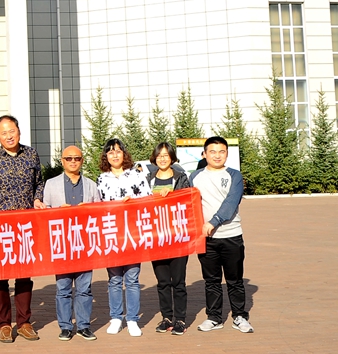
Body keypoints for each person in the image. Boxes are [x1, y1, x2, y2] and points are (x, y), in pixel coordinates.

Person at [0, 114, 46, 343]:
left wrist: (37, 199)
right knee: (1, 276)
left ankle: (24, 322)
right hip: (0, 225)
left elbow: (39, 182)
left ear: (19, 131)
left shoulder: (31, 154)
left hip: (26, 224)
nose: (9, 136)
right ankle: (4, 324)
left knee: (24, 274)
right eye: (4, 132)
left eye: (12, 131)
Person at [190, 136, 254, 334]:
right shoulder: (195, 177)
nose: (217, 155)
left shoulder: (235, 175)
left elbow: (231, 203)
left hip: (231, 235)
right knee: (212, 281)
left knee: (235, 280)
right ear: (204, 154)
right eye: (212, 151)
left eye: (221, 152)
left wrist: (213, 222)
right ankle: (214, 317)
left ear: (227, 154)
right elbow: (187, 203)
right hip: (206, 239)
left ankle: (239, 316)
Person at [42, 145, 99, 342]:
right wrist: (58, 210)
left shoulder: (91, 185)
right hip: (62, 242)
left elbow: (99, 212)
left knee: (84, 288)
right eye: (69, 158)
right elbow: (44, 212)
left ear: (82, 161)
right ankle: (65, 326)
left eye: (77, 158)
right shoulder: (51, 184)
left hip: (84, 242)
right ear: (62, 161)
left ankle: (83, 326)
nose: (73, 161)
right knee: (63, 288)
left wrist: (88, 210)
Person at [96, 137, 152, 337]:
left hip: (132, 233)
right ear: (106, 156)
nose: (115, 155)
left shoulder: (136, 175)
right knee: (114, 279)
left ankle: (133, 319)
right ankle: (116, 318)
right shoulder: (102, 179)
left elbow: (148, 201)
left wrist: (133, 203)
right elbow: (98, 207)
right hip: (112, 233)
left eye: (118, 151)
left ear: (124, 154)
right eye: (110, 152)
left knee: (132, 278)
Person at [146, 142, 192, 336]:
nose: (162, 158)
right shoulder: (148, 179)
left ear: (172, 157)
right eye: (159, 155)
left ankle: (180, 319)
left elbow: (189, 201)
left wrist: (173, 195)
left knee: (178, 281)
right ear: (154, 158)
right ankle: (166, 317)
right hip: (156, 238)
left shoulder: (181, 178)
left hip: (178, 237)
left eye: (166, 155)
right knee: (163, 281)